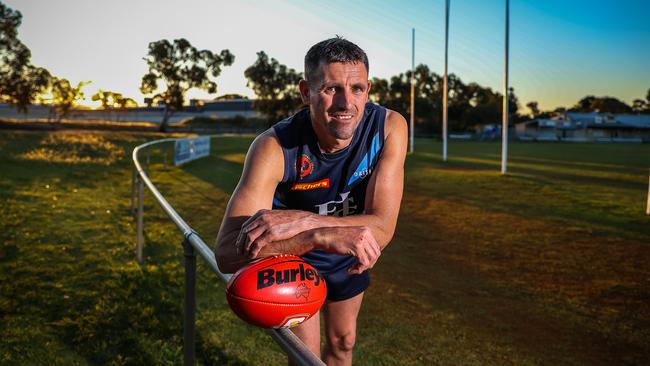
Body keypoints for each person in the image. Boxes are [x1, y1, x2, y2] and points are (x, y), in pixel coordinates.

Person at [215, 37, 407, 365]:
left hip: (348, 251)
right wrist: (312, 236)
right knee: (306, 359)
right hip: (293, 257)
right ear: (306, 92)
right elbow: (226, 254)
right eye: (332, 88)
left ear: (369, 89)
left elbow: (382, 227)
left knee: (344, 342)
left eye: (357, 88)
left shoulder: (388, 127)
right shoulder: (274, 147)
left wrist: (309, 220)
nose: (347, 103)